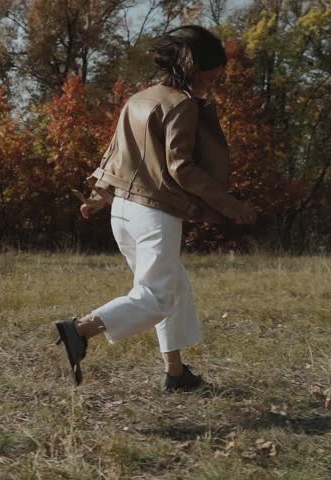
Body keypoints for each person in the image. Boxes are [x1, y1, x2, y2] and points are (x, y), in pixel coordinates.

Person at [54, 25, 257, 390]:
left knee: (174, 285)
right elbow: (181, 167)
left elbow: (115, 155)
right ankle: (79, 330)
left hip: (122, 212)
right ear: (193, 67)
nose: (214, 82)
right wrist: (229, 205)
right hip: (154, 214)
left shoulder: (137, 99)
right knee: (156, 296)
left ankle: (176, 374)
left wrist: (99, 197)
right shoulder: (181, 104)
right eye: (212, 76)